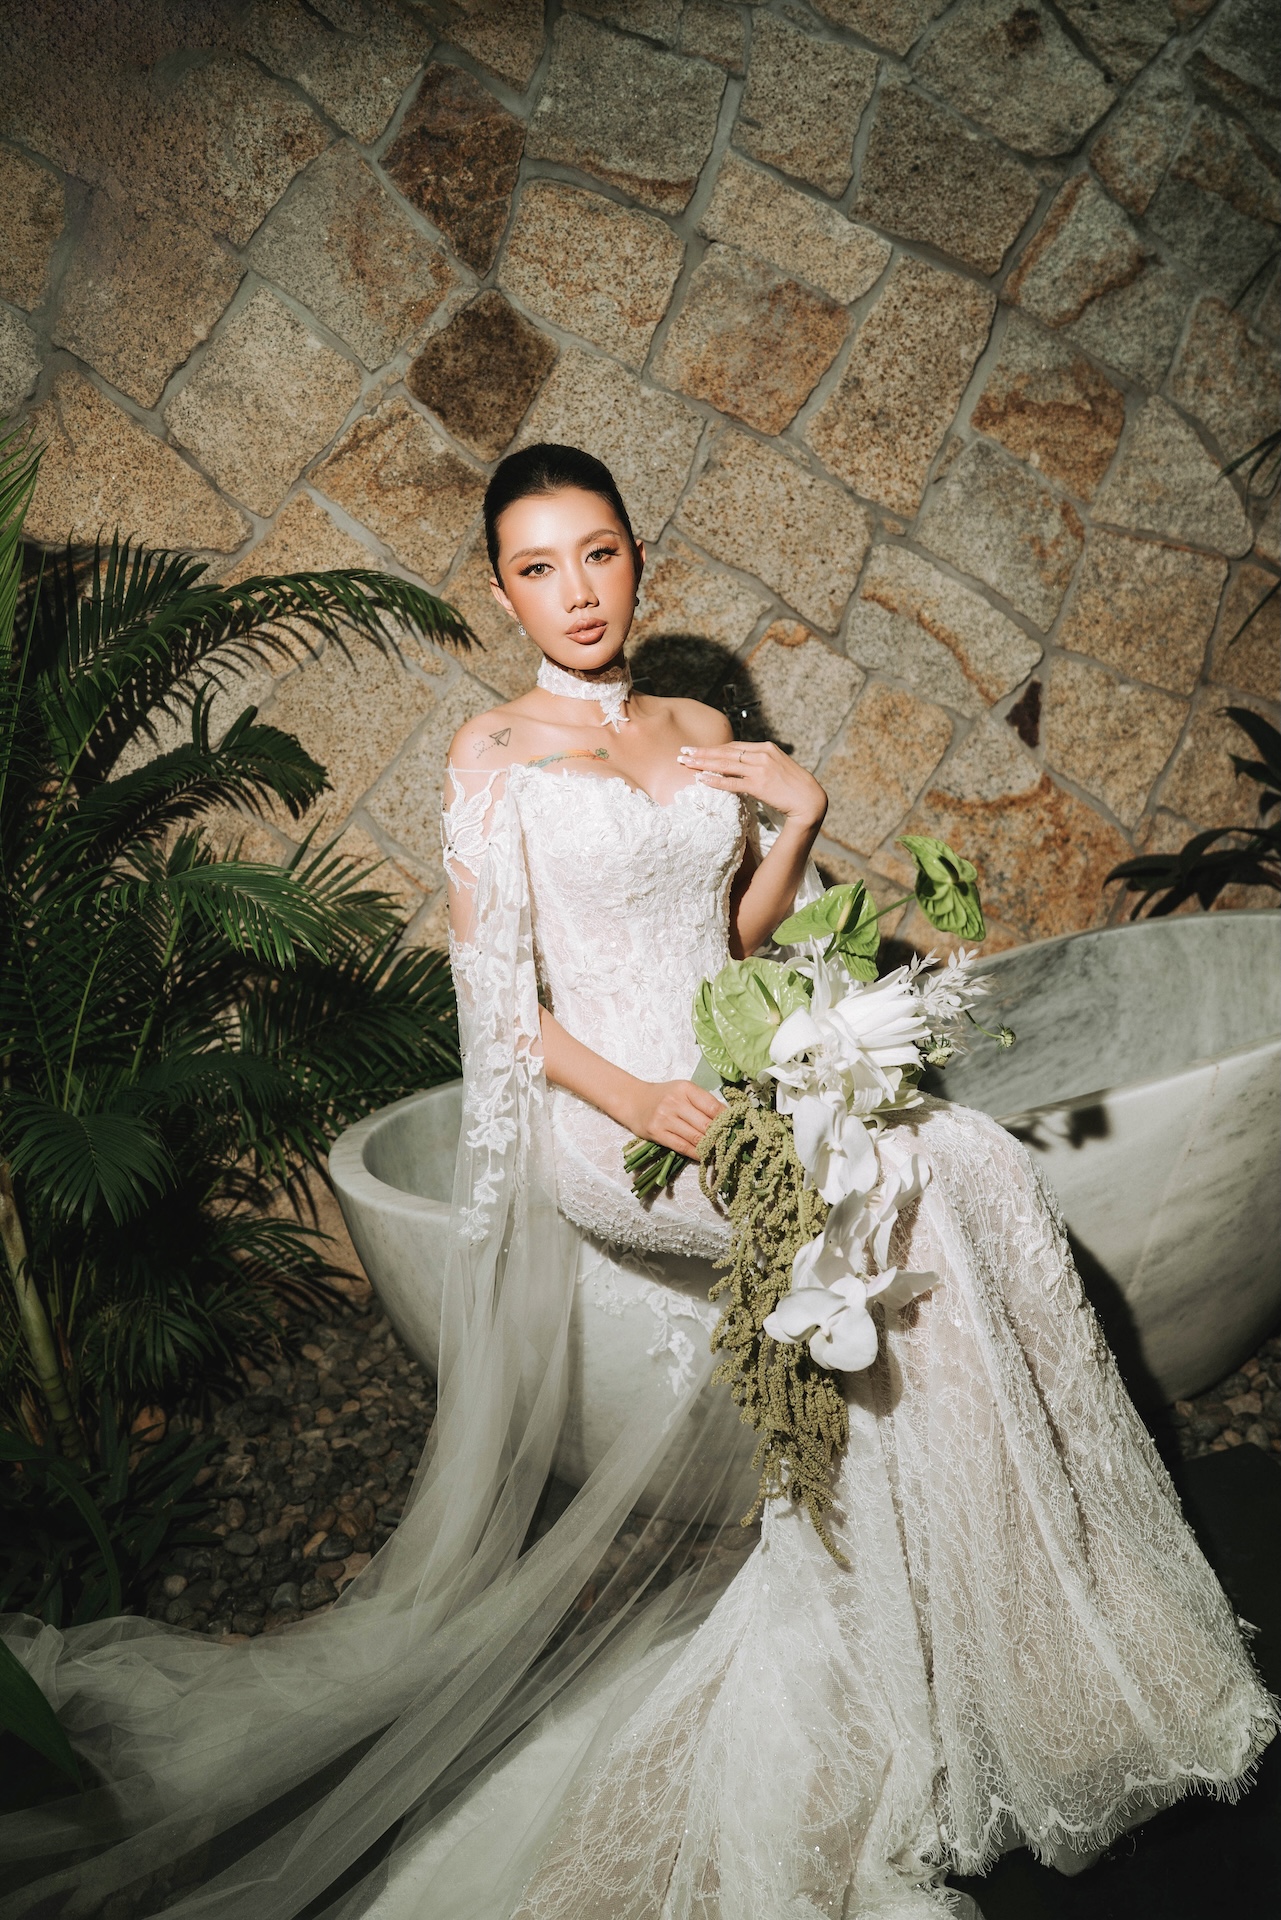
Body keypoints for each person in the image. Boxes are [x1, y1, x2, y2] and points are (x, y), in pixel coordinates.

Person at [0, 446, 1272, 1920]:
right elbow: (498, 1004)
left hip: (738, 1075)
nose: (577, 591)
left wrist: (797, 818)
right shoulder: (492, 754)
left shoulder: (700, 724)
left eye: (596, 553)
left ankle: (988, 1633)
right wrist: (638, 1100)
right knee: (906, 1190)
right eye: (537, 568)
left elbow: (732, 946)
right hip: (616, 1125)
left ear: (636, 557)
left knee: (955, 1171)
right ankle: (943, 1636)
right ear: (502, 594)